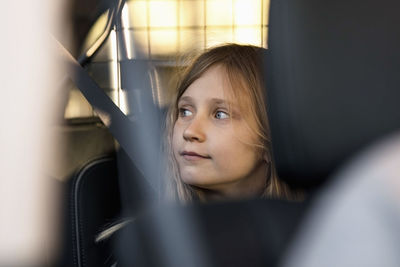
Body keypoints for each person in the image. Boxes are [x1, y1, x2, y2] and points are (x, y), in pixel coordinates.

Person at [164, 43, 294, 203]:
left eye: (220, 114)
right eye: (185, 111)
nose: (189, 131)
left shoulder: (319, 226)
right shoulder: (147, 227)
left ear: (270, 139)